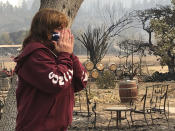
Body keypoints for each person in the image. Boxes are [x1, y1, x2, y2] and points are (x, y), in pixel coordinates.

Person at [14, 8, 88, 131]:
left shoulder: (57, 54)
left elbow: (81, 81)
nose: (64, 33)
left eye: (65, 28)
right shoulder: (34, 55)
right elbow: (57, 83)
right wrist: (65, 55)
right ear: (46, 32)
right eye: (59, 28)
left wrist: (70, 55)